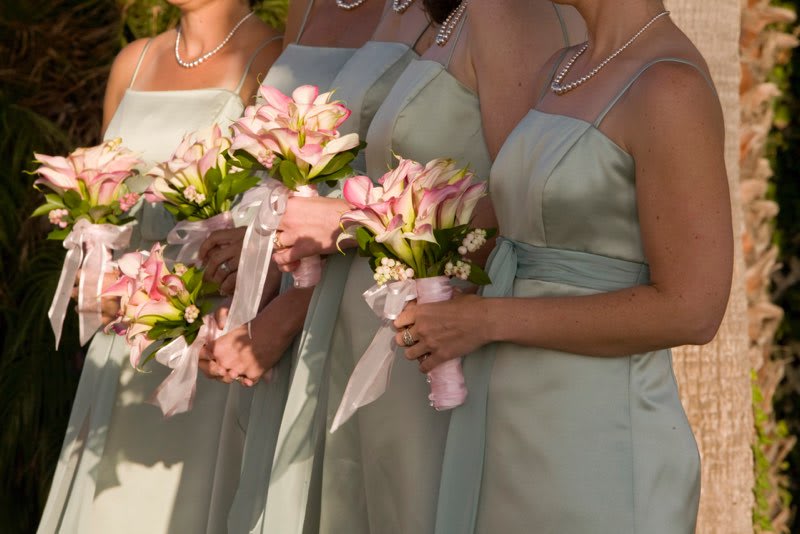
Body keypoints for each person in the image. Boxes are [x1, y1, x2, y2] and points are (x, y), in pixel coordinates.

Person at [394, 1, 733, 532]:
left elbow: (693, 310)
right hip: (507, 419)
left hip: (594, 437)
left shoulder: (670, 88)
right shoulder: (562, 68)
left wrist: (488, 320)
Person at [254, 1, 583, 532]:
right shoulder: (444, 15)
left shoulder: (508, 15)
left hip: (431, 337)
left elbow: (522, 209)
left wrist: (349, 221)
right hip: (375, 323)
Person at [37, 2, 281, 533]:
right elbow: (106, 195)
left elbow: (272, 216)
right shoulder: (134, 60)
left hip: (208, 326)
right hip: (123, 328)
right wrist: (95, 266)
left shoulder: (272, 56)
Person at [197, 1, 433, 532]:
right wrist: (257, 279)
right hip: (293, 274)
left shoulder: (447, 13)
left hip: (372, 287)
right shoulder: (304, 6)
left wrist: (288, 312)